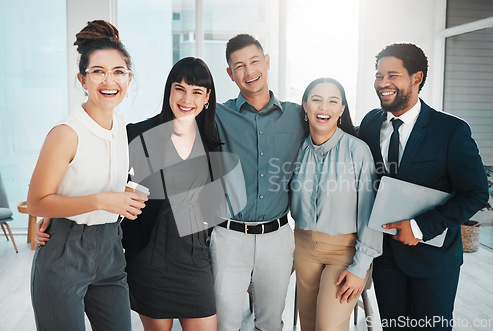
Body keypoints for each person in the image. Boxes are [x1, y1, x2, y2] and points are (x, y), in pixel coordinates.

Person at [358, 43, 489, 330]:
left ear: (416, 78)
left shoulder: (451, 130)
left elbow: (476, 193)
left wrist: (419, 227)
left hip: (433, 260)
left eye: (392, 75)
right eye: (379, 76)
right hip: (385, 257)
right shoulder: (369, 123)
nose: (383, 84)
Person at [27, 20, 146, 331]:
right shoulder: (66, 133)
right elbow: (37, 202)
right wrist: (101, 201)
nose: (110, 80)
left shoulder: (120, 124)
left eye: (119, 71)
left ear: (128, 78)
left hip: (109, 249)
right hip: (65, 253)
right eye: (98, 72)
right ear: (82, 79)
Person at [210, 34, 306, 331]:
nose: (249, 72)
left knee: (270, 322)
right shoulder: (216, 115)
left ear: (266, 62)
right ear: (230, 74)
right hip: (228, 237)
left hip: (277, 236)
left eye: (254, 62)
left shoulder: (296, 116)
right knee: (225, 322)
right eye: (239, 66)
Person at [121, 57, 222, 331]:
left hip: (195, 261)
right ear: (169, 90)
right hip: (149, 261)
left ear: (207, 98)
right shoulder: (138, 134)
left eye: (196, 91)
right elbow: (101, 178)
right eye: (180, 88)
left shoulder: (213, 144)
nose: (186, 98)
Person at [290, 77, 383, 331]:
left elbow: (369, 213)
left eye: (333, 101)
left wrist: (360, 266)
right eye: (316, 100)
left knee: (328, 327)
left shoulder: (358, 150)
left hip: (345, 252)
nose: (324, 108)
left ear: (342, 109)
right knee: (308, 325)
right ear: (305, 106)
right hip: (303, 247)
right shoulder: (296, 149)